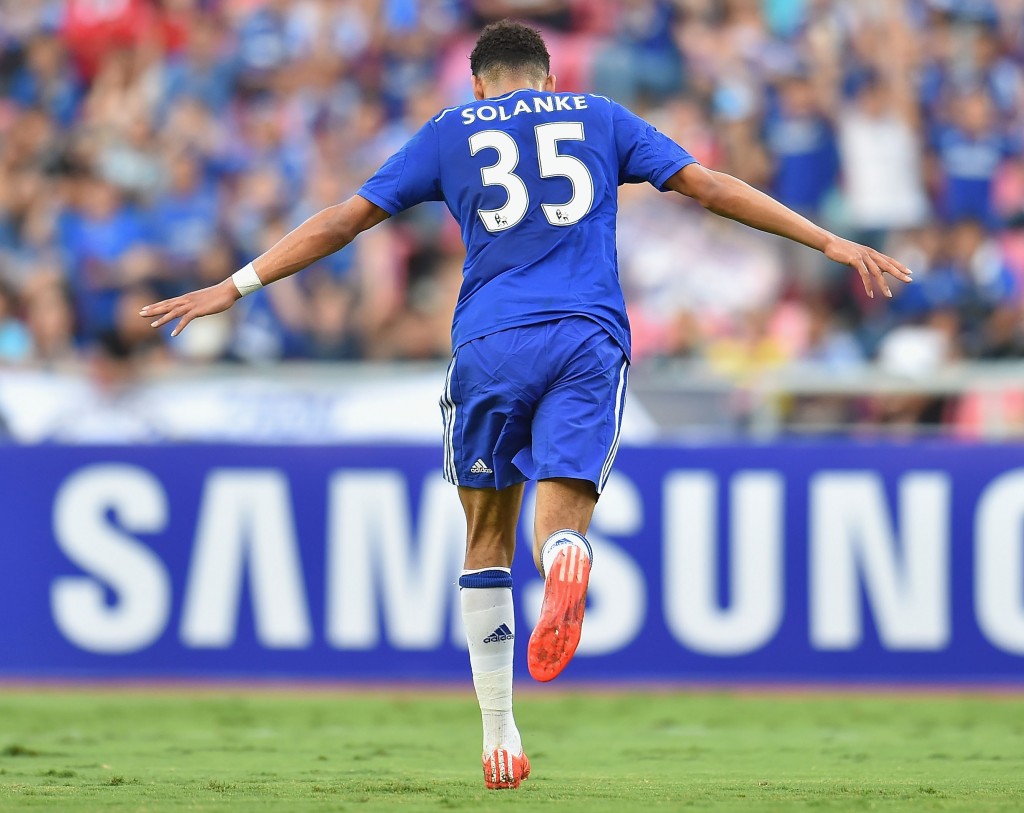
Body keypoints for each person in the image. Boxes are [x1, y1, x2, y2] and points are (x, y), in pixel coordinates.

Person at [140, 19, 912, 791]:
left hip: (490, 340)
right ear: (548, 77)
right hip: (586, 334)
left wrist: (235, 286)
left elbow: (347, 218)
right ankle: (569, 560)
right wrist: (827, 242)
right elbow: (707, 186)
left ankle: (499, 732)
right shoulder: (601, 115)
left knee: (485, 534)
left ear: (479, 83)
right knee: (564, 509)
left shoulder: (451, 130)